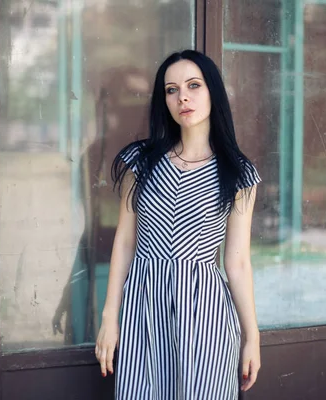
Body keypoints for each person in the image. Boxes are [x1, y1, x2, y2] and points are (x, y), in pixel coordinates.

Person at [95, 49, 262, 399]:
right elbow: (126, 243)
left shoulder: (238, 173)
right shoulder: (140, 162)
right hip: (144, 311)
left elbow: (237, 261)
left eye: (193, 85)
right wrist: (110, 318)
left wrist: (252, 337)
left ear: (213, 91)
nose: (182, 96)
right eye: (171, 90)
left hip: (206, 315)